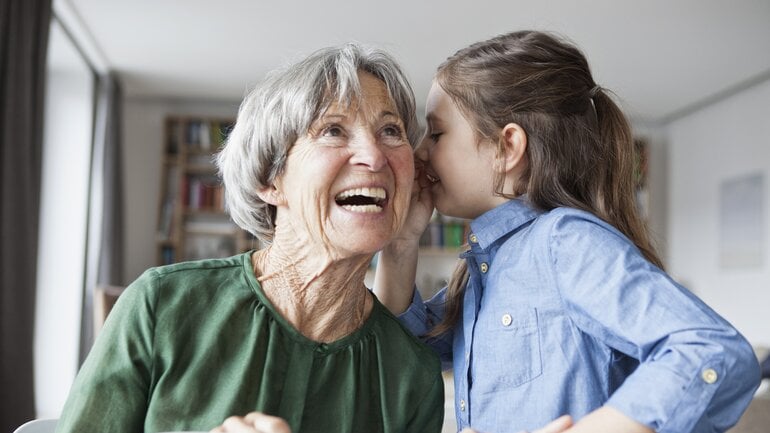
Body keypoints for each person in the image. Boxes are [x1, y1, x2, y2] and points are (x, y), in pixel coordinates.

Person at [374, 30, 761, 433]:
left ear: (507, 148)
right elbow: (406, 351)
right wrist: (399, 243)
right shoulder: (482, 270)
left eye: (436, 133)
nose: (419, 152)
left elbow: (711, 350)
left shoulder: (564, 242)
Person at [56, 43, 446, 433]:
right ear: (269, 179)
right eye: (333, 130)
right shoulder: (162, 306)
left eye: (390, 131)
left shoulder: (411, 374)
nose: (374, 157)